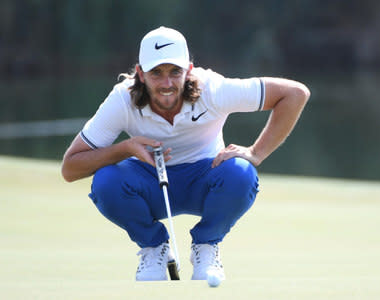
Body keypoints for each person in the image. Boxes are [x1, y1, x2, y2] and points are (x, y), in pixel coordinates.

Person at [61, 26, 310, 282]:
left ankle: (206, 246)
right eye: (156, 73)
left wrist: (256, 153)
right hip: (150, 185)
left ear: (189, 70)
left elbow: (295, 94)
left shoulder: (213, 89)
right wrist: (124, 148)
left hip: (206, 179)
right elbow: (70, 168)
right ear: (140, 74)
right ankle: (154, 249)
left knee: (242, 173)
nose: (166, 83)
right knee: (106, 182)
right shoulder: (122, 100)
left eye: (175, 72)